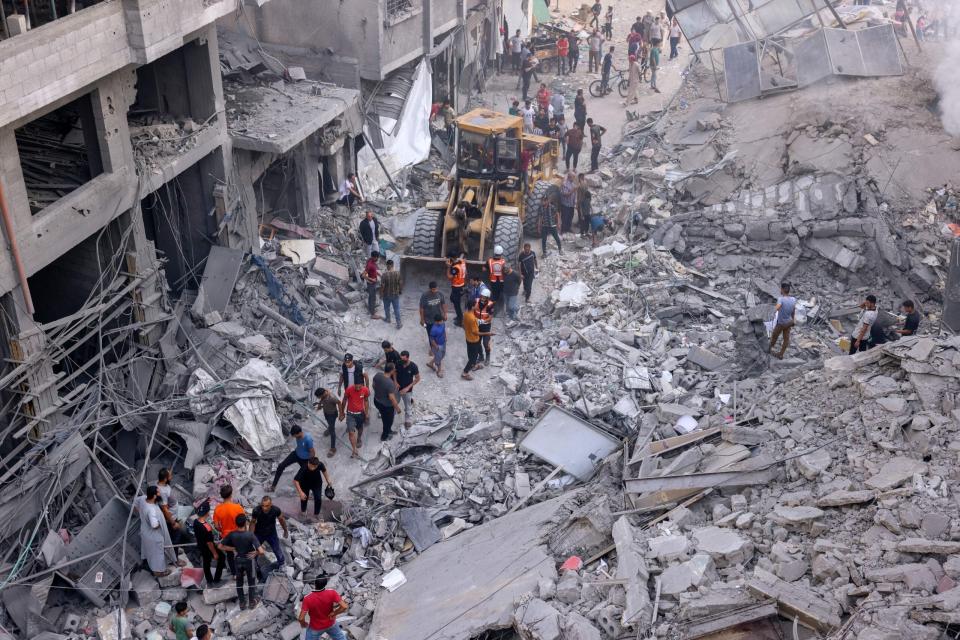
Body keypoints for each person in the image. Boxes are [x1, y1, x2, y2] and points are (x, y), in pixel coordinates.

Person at [218, 514, 264, 609]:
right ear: (246, 523)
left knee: (239, 583)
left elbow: (220, 546)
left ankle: (242, 603)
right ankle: (251, 602)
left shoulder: (232, 534)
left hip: (238, 560)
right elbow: (261, 551)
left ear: (236, 523)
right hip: (249, 561)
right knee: (251, 582)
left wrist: (232, 549)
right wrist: (255, 553)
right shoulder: (250, 535)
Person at [136, 486, 173, 577]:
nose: (160, 493)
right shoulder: (151, 509)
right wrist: (162, 522)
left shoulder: (144, 499)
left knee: (151, 553)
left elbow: (135, 501)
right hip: (153, 536)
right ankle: (159, 572)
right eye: (158, 493)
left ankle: (151, 566)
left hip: (145, 531)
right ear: (154, 496)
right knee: (157, 554)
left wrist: (139, 512)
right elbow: (154, 525)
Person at [299, 575, 349, 640]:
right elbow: (344, 606)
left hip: (315, 628)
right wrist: (334, 613)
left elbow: (301, 618)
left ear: (315, 583)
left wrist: (303, 624)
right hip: (331, 624)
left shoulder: (307, 598)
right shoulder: (332, 592)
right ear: (325, 584)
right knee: (341, 638)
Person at [270, 424, 315, 492]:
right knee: (281, 466)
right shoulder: (297, 435)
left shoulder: (308, 440)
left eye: (295, 435)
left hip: (305, 460)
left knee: (304, 476)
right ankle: (273, 486)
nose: (294, 437)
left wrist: (310, 463)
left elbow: (312, 452)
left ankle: (310, 491)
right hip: (296, 454)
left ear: (299, 433)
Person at [250, 496, 288, 573]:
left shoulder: (275, 510)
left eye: (267, 506)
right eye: (263, 505)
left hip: (271, 533)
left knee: (277, 549)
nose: (264, 508)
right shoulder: (256, 510)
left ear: (271, 504)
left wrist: (285, 530)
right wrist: (251, 536)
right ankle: (254, 566)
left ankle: (282, 564)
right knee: (254, 550)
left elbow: (281, 520)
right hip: (259, 533)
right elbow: (253, 522)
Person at [213, 485, 245, 574]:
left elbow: (216, 526)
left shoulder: (218, 509)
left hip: (226, 536)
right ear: (231, 495)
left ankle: (234, 574)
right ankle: (242, 571)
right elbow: (243, 523)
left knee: (230, 555)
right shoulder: (238, 507)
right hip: (238, 534)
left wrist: (222, 529)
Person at [193, 501, 224, 586]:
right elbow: (209, 542)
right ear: (207, 513)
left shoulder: (196, 522)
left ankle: (209, 581)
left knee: (206, 562)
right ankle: (216, 580)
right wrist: (214, 553)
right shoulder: (207, 527)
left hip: (201, 546)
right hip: (208, 547)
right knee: (222, 557)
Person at [339, 378, 369, 458]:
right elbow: (344, 400)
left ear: (362, 385)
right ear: (354, 384)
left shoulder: (365, 390)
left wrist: (366, 413)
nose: (358, 388)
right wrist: (342, 413)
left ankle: (359, 438)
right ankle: (354, 449)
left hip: (360, 414)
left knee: (360, 428)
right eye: (356, 387)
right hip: (350, 414)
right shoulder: (349, 389)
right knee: (351, 432)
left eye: (360, 387)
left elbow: (366, 401)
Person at [371, 364, 402, 439]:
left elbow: (373, 385)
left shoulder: (378, 375)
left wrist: (379, 392)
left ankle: (388, 430)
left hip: (377, 401)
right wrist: (397, 408)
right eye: (394, 369)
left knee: (385, 418)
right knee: (388, 421)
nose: (395, 370)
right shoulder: (389, 383)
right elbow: (392, 398)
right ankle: (384, 436)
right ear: (391, 370)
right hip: (386, 406)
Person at [461, 307, 491, 381]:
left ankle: (474, 366)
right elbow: (476, 332)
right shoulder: (473, 318)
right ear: (473, 307)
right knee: (473, 357)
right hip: (474, 340)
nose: (477, 306)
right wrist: (488, 333)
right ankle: (465, 373)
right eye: (475, 305)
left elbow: (462, 324)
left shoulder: (465, 314)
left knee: (470, 354)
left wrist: (467, 331)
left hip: (468, 338)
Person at [768, 282, 797, 360]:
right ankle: (781, 354)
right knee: (786, 338)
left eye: (781, 289)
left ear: (782, 290)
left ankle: (768, 349)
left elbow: (777, 307)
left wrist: (772, 313)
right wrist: (793, 320)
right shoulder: (793, 299)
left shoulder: (781, 299)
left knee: (774, 335)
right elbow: (793, 311)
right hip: (789, 322)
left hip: (781, 323)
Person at [395, 351, 420, 427]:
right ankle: (391, 415)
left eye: (403, 359)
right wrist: (395, 382)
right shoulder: (398, 362)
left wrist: (407, 388)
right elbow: (394, 372)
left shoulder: (413, 366)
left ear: (408, 358)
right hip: (397, 388)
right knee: (394, 401)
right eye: (401, 358)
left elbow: (417, 378)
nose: (402, 361)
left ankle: (408, 419)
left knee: (408, 405)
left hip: (407, 390)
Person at [379, 259, 403, 329]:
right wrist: (400, 291)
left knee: (386, 308)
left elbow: (382, 286)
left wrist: (381, 294)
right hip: (395, 295)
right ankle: (399, 323)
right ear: (393, 265)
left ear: (387, 266)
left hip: (386, 295)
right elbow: (401, 283)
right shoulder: (398, 273)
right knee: (396, 309)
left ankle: (388, 319)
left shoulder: (384, 275)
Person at [474, 288, 495, 364]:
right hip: (477, 325)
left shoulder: (490, 305)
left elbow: (490, 317)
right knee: (477, 342)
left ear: (487, 297)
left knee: (486, 343)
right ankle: (481, 356)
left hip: (486, 326)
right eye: (482, 296)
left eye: (484, 297)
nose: (482, 298)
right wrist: (475, 320)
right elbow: (472, 311)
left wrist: (483, 321)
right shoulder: (476, 301)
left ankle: (488, 356)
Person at [447, 253, 467, 326]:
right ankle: (459, 316)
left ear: (451, 259)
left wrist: (448, 267)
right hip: (461, 285)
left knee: (457, 304)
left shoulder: (455, 268)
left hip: (457, 287)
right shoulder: (462, 262)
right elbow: (466, 272)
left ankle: (460, 320)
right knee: (452, 298)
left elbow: (449, 277)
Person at [362, 251, 381, 319]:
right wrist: (371, 279)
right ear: (374, 257)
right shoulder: (370, 264)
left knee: (372, 297)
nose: (378, 259)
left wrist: (379, 275)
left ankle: (371, 309)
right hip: (371, 283)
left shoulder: (371, 261)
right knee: (372, 298)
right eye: (377, 257)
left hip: (373, 282)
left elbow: (373, 270)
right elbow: (363, 275)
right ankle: (373, 314)